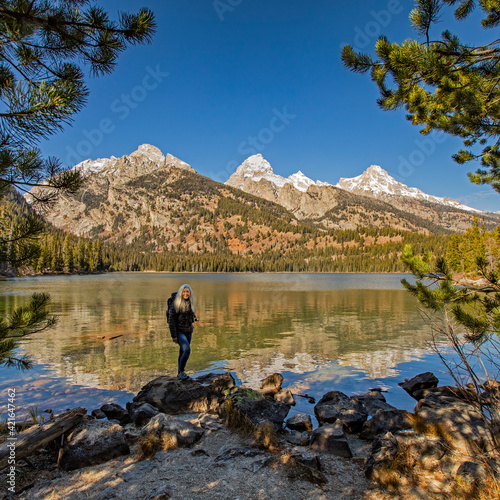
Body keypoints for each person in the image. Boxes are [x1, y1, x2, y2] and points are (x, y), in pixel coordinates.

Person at [168, 284, 197, 380]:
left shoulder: (190, 302)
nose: (186, 293)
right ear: (181, 292)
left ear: (190, 293)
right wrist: (174, 336)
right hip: (179, 331)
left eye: (187, 292)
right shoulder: (176, 304)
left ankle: (180, 372)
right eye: (184, 292)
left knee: (182, 351)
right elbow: (171, 320)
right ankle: (181, 371)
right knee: (187, 350)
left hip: (188, 331)